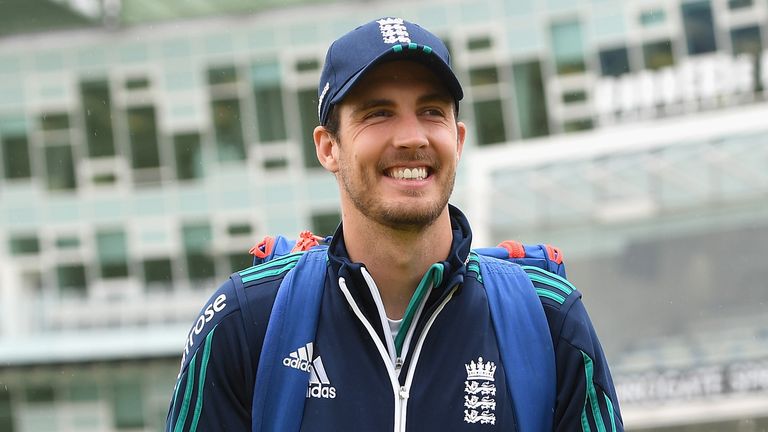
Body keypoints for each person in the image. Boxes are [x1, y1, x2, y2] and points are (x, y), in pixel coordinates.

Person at [165, 17, 623, 431]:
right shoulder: (247, 322)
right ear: (328, 148)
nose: (412, 137)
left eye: (431, 111)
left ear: (457, 139)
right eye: (378, 113)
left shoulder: (547, 318)